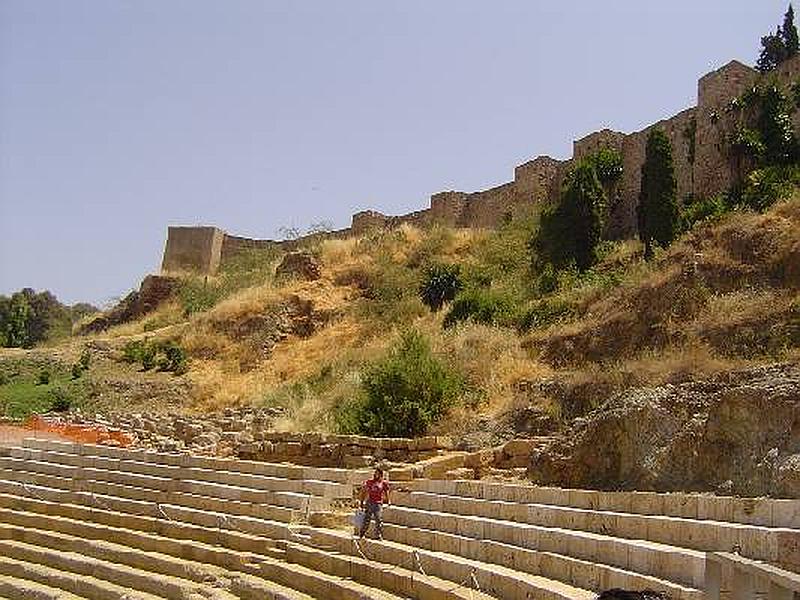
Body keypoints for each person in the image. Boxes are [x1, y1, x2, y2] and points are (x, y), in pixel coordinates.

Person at [358, 467, 390, 540]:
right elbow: (364, 492)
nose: (376, 474)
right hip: (370, 502)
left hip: (378, 503)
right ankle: (362, 534)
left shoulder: (383, 483)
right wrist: (361, 502)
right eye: (375, 473)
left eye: (377, 473)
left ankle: (378, 535)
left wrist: (388, 501)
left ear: (380, 474)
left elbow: (386, 492)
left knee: (378, 519)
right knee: (367, 520)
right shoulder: (369, 482)